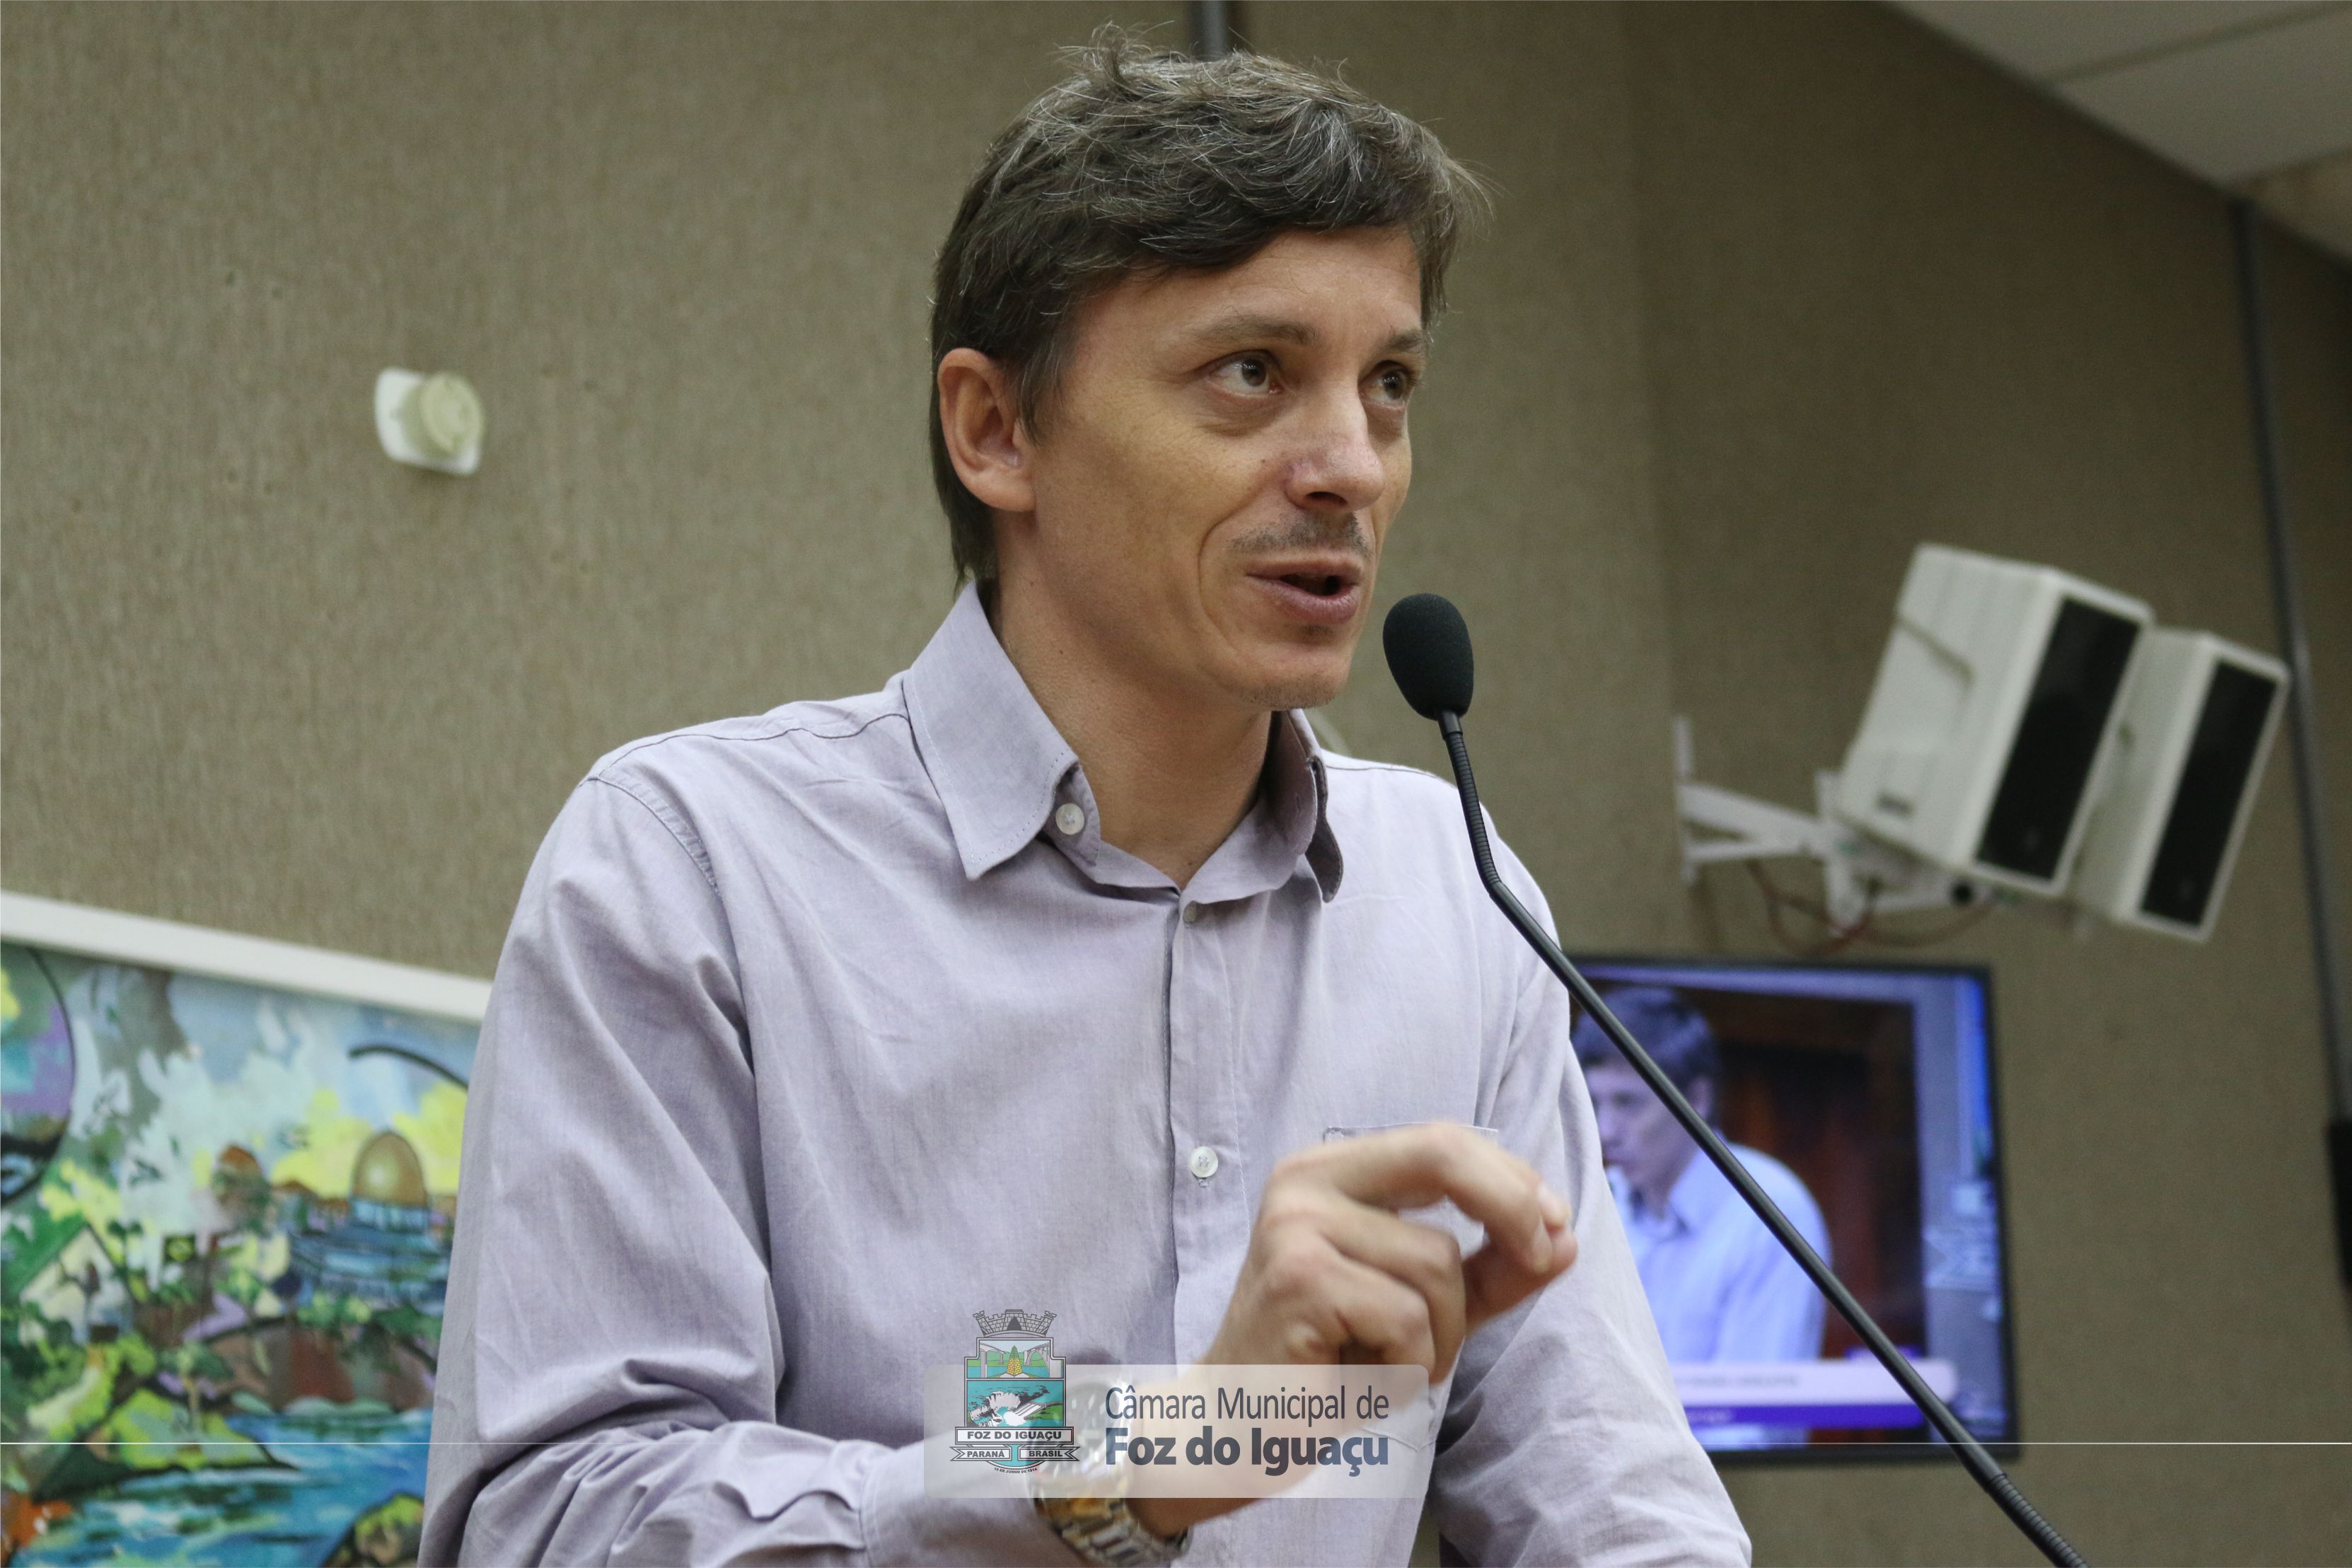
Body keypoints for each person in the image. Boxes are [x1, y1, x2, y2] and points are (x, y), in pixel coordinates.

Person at [422, 30, 1746, 1567]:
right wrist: (1152, 1449)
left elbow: (1609, 1495)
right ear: (997, 431)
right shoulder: (691, 865)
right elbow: (549, 1517)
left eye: (1387, 385)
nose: (1352, 467)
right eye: (1253, 373)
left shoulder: (1454, 895)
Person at [1575, 987, 1829, 1450]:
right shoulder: (1594, 1201)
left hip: (1729, 1491)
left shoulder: (1771, 1208)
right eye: (1595, 1102)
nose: (1605, 1131)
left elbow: (1753, 1432)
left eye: (1628, 1103)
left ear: (1696, 1097)